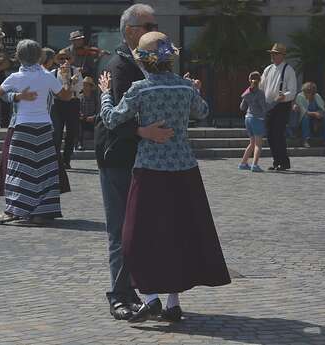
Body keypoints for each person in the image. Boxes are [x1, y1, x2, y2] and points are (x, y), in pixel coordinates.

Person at [99, 31, 231, 323]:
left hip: (150, 171)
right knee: (178, 234)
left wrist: (105, 93)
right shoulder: (185, 88)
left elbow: (110, 119)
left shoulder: (139, 89)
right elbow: (203, 112)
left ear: (143, 61)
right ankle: (173, 303)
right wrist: (193, 89)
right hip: (184, 170)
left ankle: (151, 298)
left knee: (138, 237)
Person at [95, 3, 177, 321]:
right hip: (118, 154)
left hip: (147, 157)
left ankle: (149, 294)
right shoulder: (119, 64)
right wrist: (142, 130)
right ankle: (119, 296)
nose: (155, 28)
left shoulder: (150, 62)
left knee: (144, 227)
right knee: (121, 229)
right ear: (130, 31)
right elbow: (113, 115)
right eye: (149, 25)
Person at [0, 39, 72, 225]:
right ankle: (41, 212)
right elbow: (66, 96)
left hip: (22, 127)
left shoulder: (14, 77)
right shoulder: (47, 76)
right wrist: (66, 78)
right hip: (44, 126)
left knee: (19, 170)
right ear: (39, 56)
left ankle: (15, 209)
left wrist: (18, 97)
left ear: (18, 57)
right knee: (45, 170)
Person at [260, 43, 297, 171]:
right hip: (269, 105)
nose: (273, 55)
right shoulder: (268, 69)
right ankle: (276, 161)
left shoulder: (288, 70)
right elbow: (262, 87)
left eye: (275, 53)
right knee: (270, 134)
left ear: (282, 55)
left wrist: (284, 96)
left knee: (278, 133)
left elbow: (292, 91)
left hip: (282, 105)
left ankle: (284, 162)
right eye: (272, 53)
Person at [238, 71, 279, 172]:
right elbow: (265, 108)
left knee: (252, 143)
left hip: (248, 118)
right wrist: (276, 101)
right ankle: (255, 165)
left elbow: (242, 107)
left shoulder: (247, 92)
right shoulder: (260, 93)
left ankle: (243, 163)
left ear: (249, 80)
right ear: (260, 80)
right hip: (257, 119)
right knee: (258, 144)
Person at [50, 49, 83, 169]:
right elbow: (53, 90)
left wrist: (70, 84)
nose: (65, 61)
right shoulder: (53, 73)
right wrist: (68, 84)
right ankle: (56, 160)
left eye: (67, 58)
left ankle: (66, 160)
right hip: (57, 104)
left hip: (72, 103)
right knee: (56, 132)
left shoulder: (76, 72)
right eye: (62, 58)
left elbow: (80, 89)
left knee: (72, 132)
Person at [294, 82, 325, 148]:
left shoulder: (317, 96)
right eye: (308, 92)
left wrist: (320, 113)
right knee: (305, 117)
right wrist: (315, 114)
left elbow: (322, 108)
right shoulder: (300, 96)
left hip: (315, 117)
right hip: (304, 117)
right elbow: (303, 111)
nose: (310, 94)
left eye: (312, 92)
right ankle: (305, 140)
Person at [77, 76, 98, 150]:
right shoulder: (80, 97)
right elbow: (77, 110)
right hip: (83, 119)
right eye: (84, 85)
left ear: (90, 86)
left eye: (86, 85)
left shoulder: (95, 98)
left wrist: (94, 117)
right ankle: (80, 143)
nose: (85, 87)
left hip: (93, 119)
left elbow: (98, 110)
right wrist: (82, 116)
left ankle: (98, 144)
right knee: (78, 123)